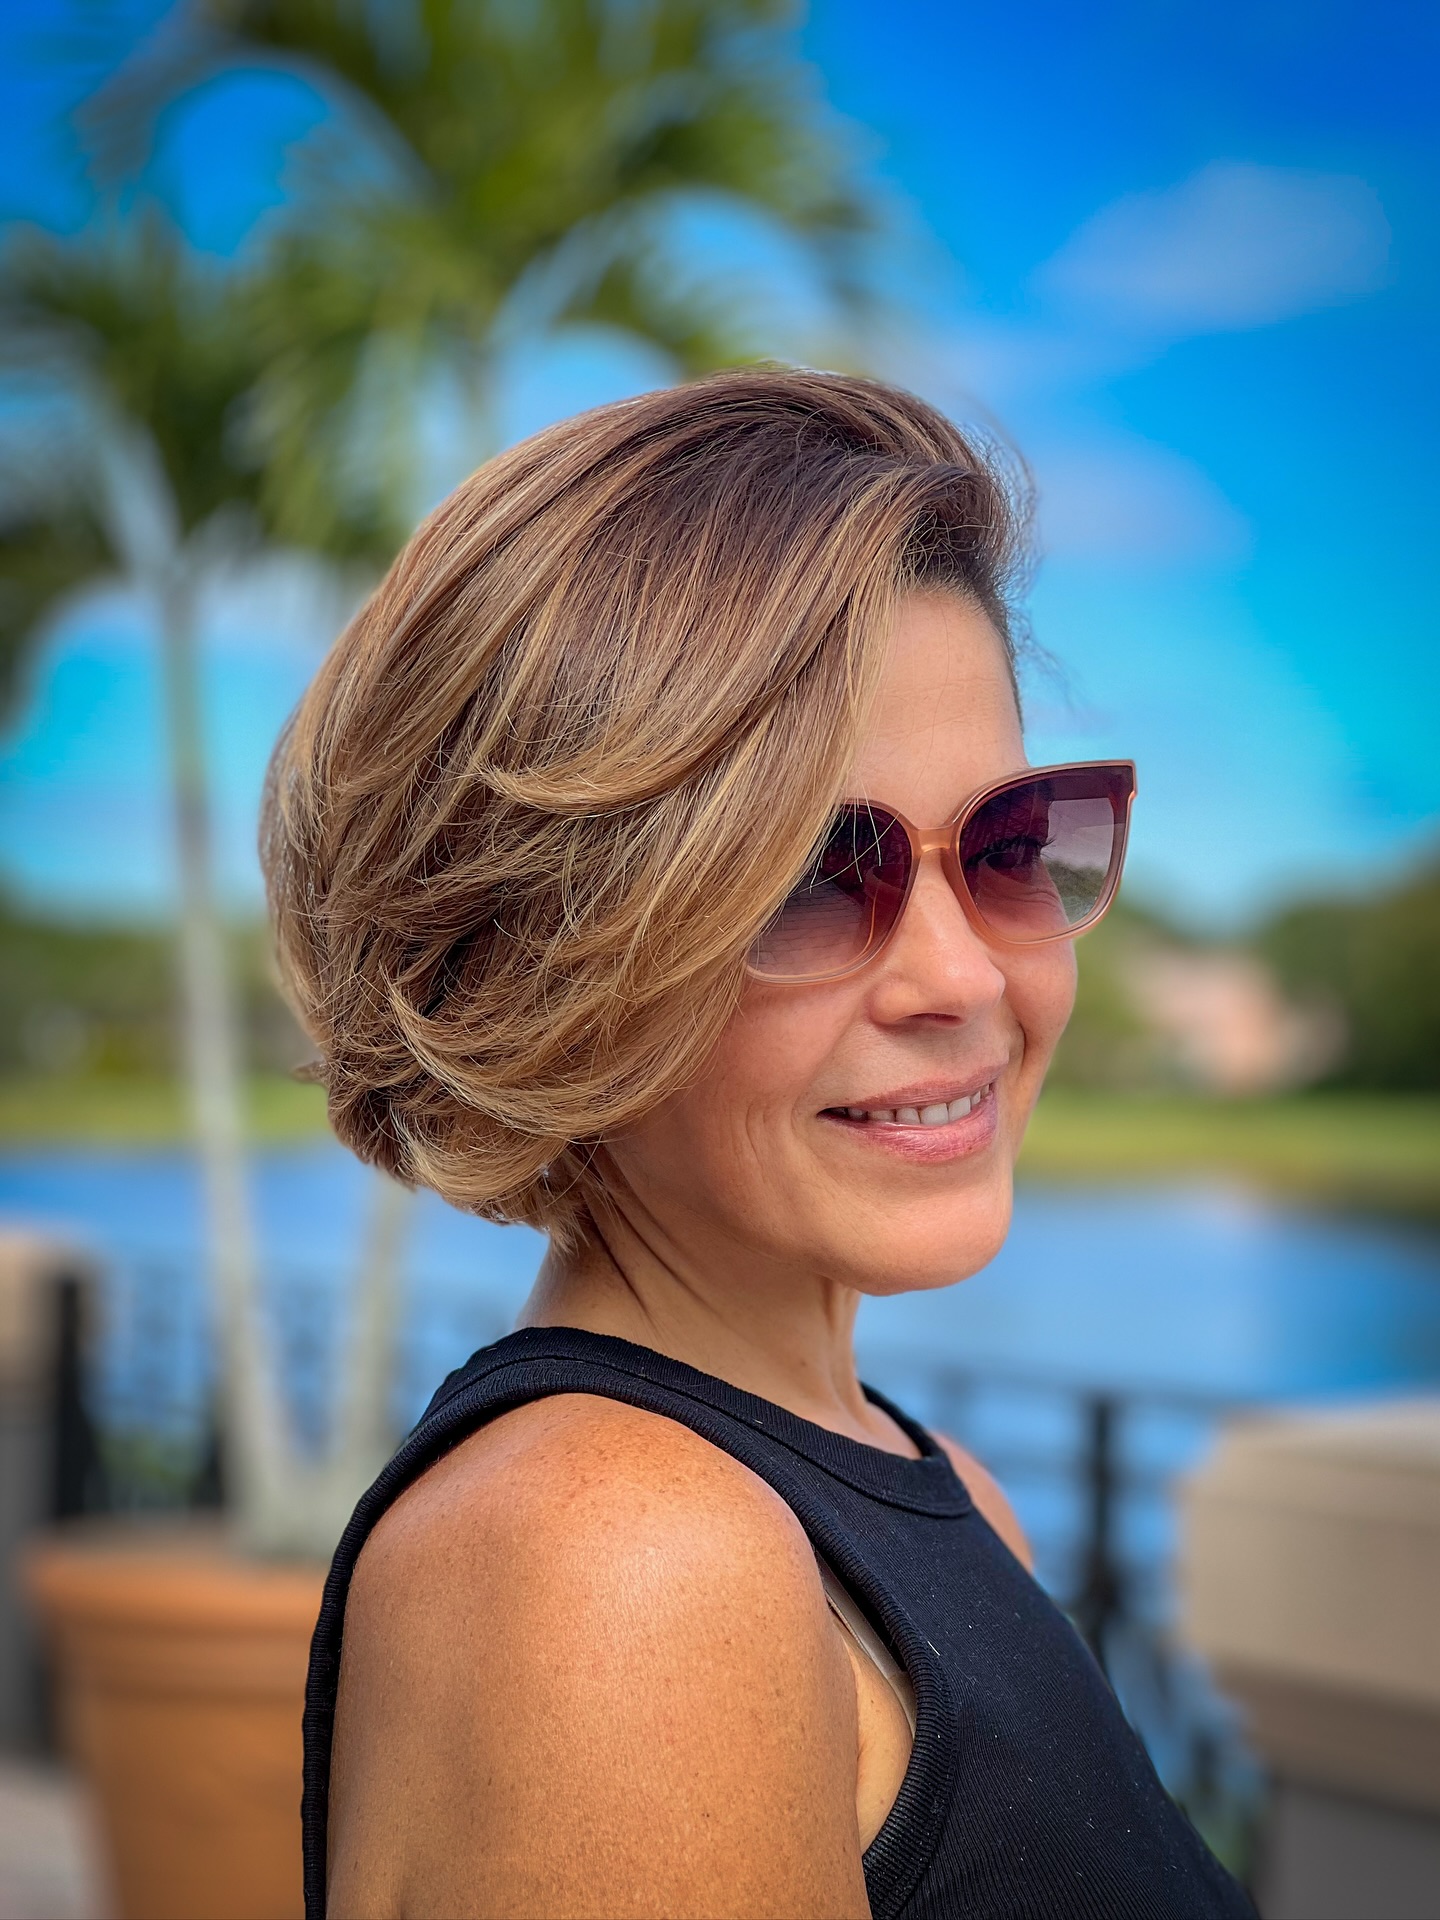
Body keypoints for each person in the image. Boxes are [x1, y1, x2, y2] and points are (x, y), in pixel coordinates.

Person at [265, 370, 1254, 1919]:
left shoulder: (926, 1493)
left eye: (1010, 846)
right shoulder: (622, 1567)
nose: (961, 978)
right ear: (540, 958)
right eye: (806, 877)